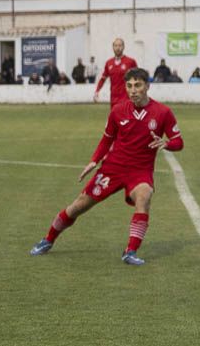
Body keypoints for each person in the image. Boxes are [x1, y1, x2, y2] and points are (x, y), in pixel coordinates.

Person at [30, 68, 182, 266]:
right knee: (78, 206)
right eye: (129, 86)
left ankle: (130, 251)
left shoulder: (163, 112)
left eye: (138, 85)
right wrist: (94, 161)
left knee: (143, 199)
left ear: (147, 86)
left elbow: (179, 142)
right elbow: (106, 139)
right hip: (112, 168)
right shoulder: (118, 110)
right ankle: (48, 239)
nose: (133, 90)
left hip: (140, 172)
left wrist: (166, 144)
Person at [93, 38, 138, 106]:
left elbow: (138, 78)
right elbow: (103, 79)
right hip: (114, 99)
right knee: (114, 116)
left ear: (123, 47)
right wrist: (97, 91)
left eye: (120, 45)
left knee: (125, 116)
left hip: (127, 98)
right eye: (116, 45)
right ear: (113, 47)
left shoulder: (130, 61)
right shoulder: (109, 63)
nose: (118, 48)